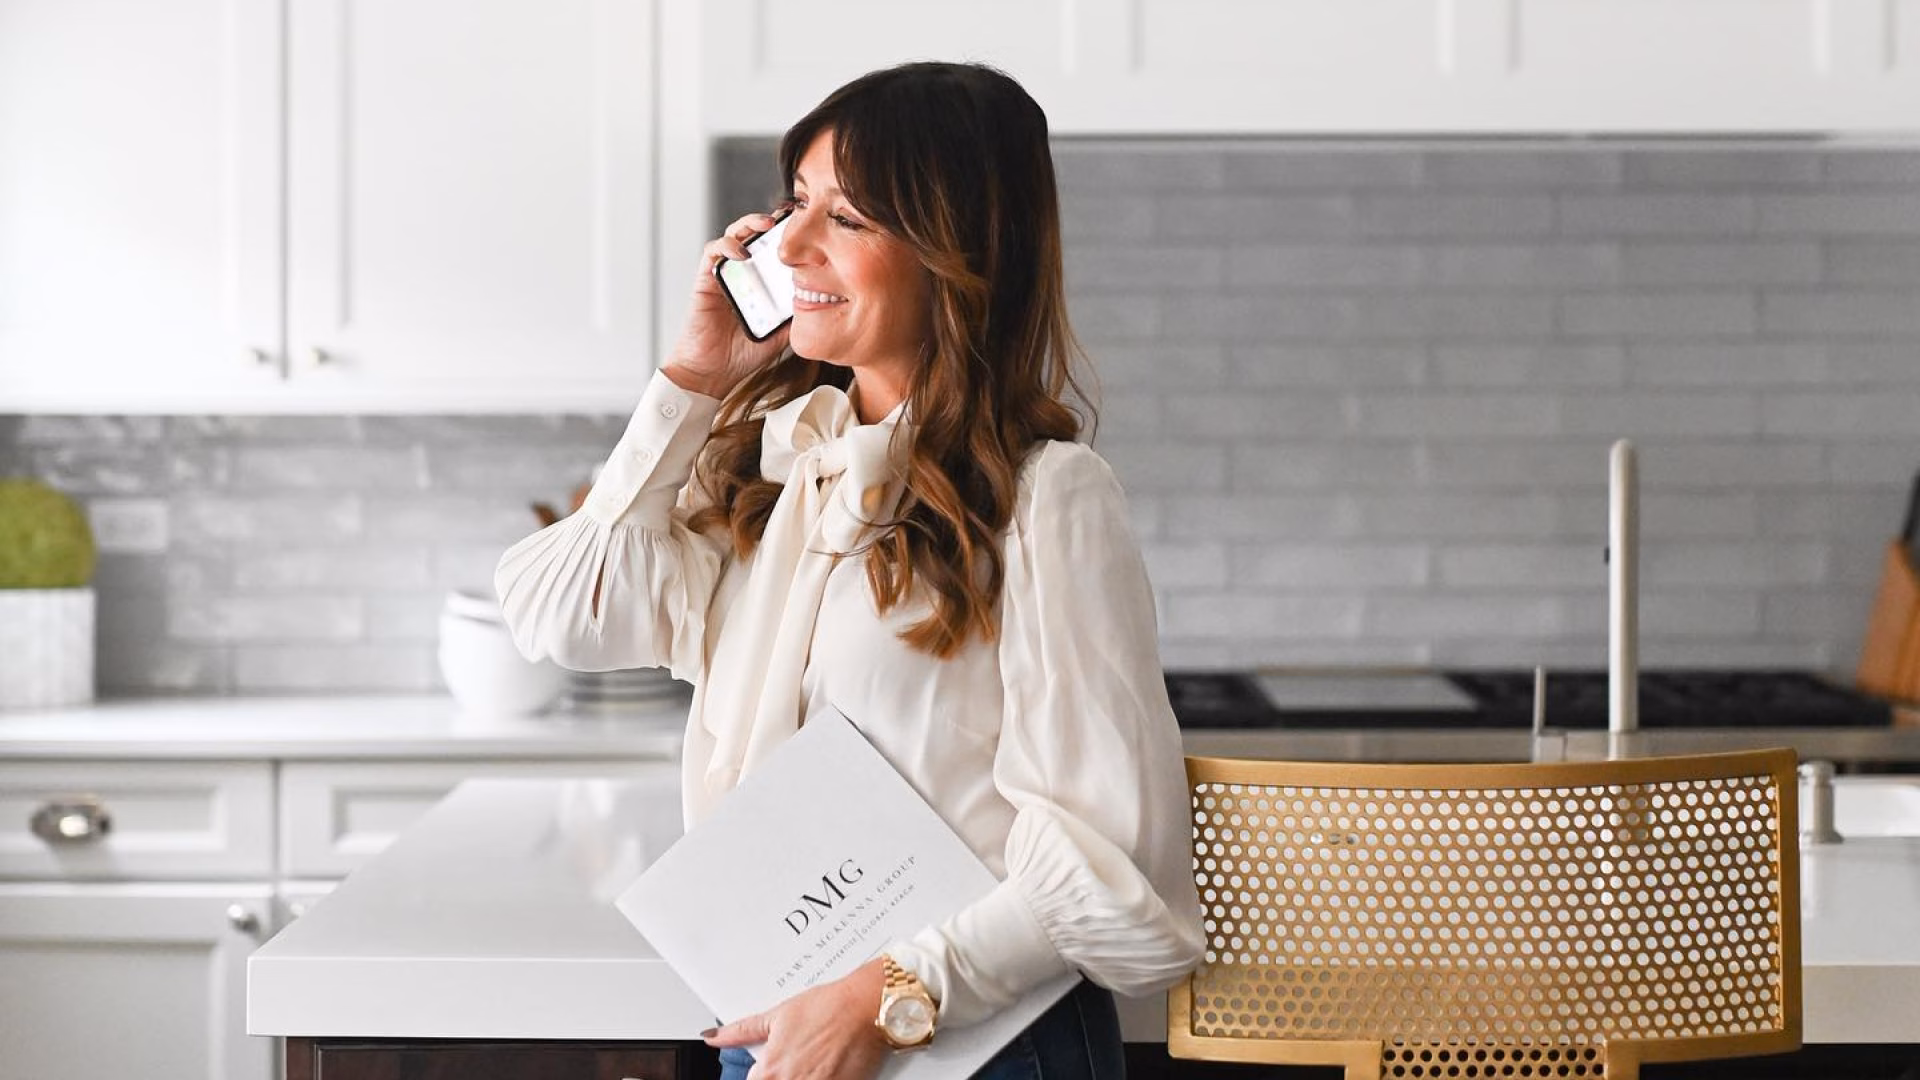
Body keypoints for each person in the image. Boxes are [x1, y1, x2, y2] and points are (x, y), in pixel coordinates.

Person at [496, 61, 1203, 1080]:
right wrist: (691, 380)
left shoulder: (1052, 498)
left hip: (969, 1044)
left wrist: (892, 998)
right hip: (783, 1035)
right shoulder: (776, 477)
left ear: (955, 253)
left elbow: (1117, 869)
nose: (789, 244)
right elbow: (563, 615)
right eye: (796, 203)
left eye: (849, 217)